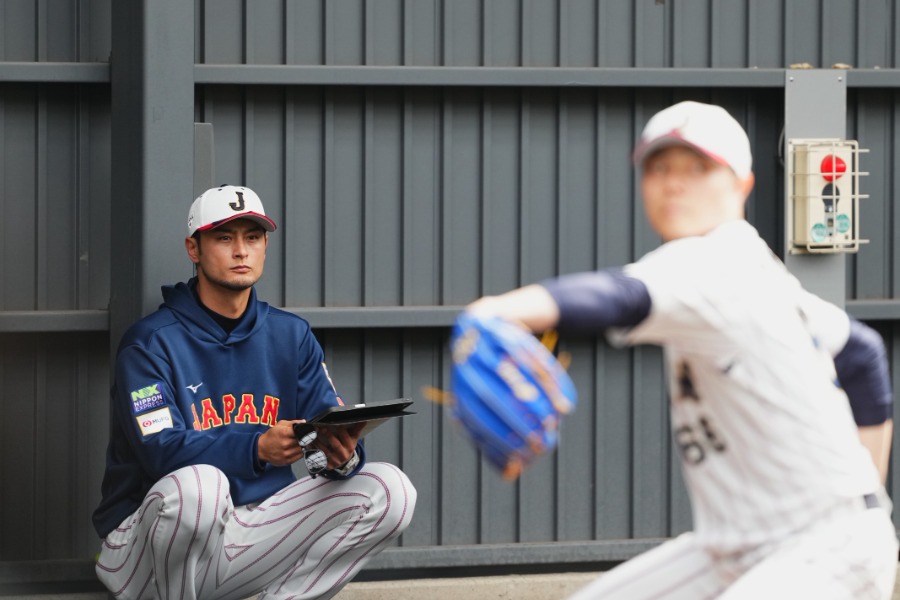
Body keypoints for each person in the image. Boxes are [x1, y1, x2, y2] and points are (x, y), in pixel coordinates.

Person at [466, 101, 898, 599]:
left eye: (698, 168)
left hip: (823, 549)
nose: (674, 183)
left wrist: (497, 310)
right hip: (736, 547)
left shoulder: (710, 263)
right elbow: (862, 352)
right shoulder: (757, 270)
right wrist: (867, 497)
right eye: (659, 167)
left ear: (742, 184)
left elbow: (618, 296)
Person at [92, 185, 416, 600]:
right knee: (200, 488)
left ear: (265, 246)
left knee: (390, 490)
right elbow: (159, 451)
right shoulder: (150, 342)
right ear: (193, 249)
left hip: (248, 533)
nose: (241, 251)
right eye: (224, 238)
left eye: (253, 237)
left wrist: (339, 455)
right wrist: (257, 448)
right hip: (144, 548)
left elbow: (320, 431)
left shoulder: (290, 335)